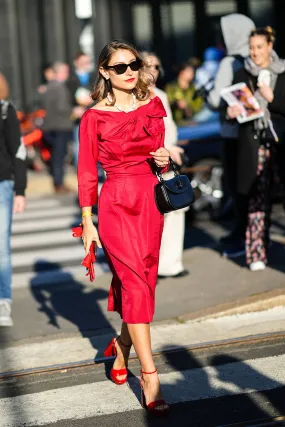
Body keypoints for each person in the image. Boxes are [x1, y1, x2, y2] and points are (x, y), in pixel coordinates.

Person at [77, 40, 170, 416]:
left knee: (144, 284)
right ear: (104, 72)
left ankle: (122, 346)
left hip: (150, 203)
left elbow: (160, 161)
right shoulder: (94, 117)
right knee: (134, 283)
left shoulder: (153, 105)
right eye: (120, 67)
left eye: (134, 64)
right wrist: (87, 221)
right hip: (115, 204)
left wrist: (163, 159)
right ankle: (150, 375)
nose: (129, 71)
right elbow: (86, 172)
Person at [227, 26, 285, 271]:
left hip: (281, 144)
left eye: (260, 47)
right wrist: (231, 112)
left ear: (270, 46)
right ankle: (256, 252)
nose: (255, 52)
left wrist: (272, 98)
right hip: (254, 144)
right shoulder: (242, 74)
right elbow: (232, 107)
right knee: (256, 200)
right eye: (251, 48)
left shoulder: (282, 72)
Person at [207, 14, 255, 258]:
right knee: (252, 189)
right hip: (254, 133)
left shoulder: (229, 62)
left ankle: (241, 237)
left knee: (237, 188)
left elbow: (216, 99)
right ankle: (250, 236)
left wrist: (208, 94)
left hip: (233, 133)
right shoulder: (255, 58)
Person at [141, 51, 189, 279]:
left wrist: (172, 148)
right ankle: (151, 265)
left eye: (156, 67)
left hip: (168, 161)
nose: (152, 71)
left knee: (176, 208)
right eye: (147, 66)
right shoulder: (134, 98)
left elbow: (169, 127)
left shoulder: (160, 94)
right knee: (152, 216)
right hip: (147, 166)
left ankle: (171, 264)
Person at [0, 99, 27, 326]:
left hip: (2, 185)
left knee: (1, 247)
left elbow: (18, 149)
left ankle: (3, 301)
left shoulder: (4, 110)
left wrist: (20, 190)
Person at [42, 62, 73, 194]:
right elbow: (62, 107)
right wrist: (74, 111)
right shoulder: (60, 87)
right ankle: (59, 183)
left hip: (51, 125)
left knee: (56, 155)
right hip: (62, 125)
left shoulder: (49, 86)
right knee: (60, 155)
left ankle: (58, 181)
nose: (67, 74)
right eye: (65, 71)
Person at [66, 52, 94, 166]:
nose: (85, 64)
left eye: (87, 62)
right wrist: (74, 109)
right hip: (78, 117)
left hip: (93, 114)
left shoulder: (94, 77)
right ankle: (81, 169)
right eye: (82, 62)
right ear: (76, 63)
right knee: (80, 143)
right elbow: (67, 97)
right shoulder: (70, 79)